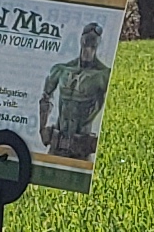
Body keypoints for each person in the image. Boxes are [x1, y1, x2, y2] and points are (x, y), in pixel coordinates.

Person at [38, 21, 110, 161]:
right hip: (57, 143)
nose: (89, 42)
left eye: (93, 39)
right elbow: (45, 98)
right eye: (86, 37)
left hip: (81, 147)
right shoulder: (62, 69)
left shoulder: (103, 75)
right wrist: (42, 128)